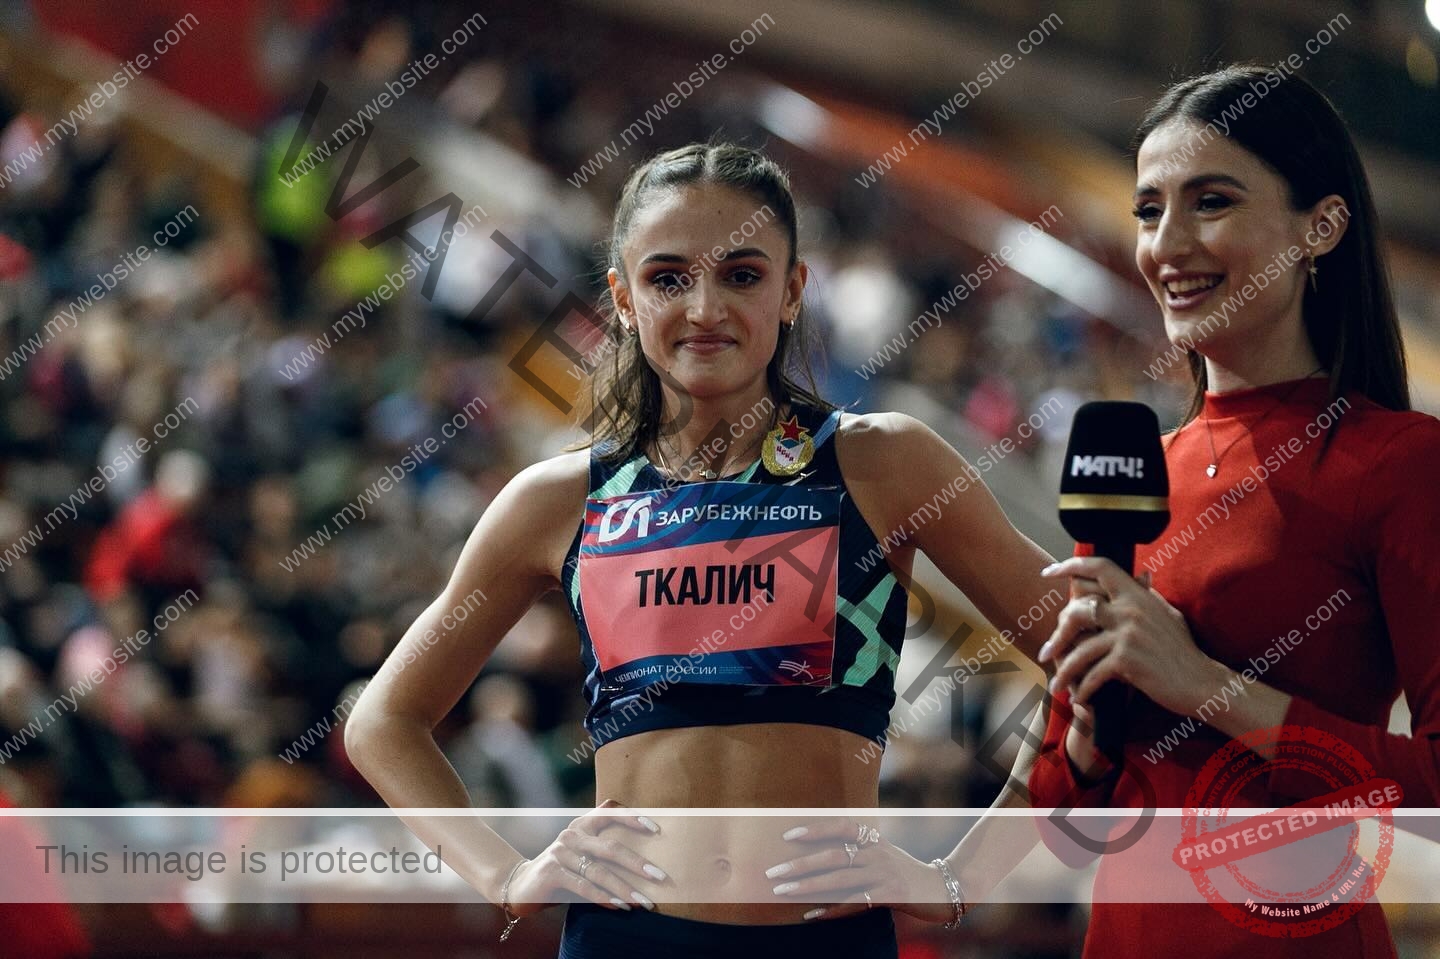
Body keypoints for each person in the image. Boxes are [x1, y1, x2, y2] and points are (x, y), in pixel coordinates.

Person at [344, 142, 1065, 958]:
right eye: (668, 278)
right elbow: (383, 721)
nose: (705, 308)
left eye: (742, 275)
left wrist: (963, 875)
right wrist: (505, 874)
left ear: (792, 290)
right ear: (623, 298)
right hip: (622, 941)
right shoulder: (560, 499)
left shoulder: (886, 462)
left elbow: (1091, 666)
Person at [1029, 64, 1440, 958]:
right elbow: (1062, 825)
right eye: (1149, 211)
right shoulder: (1132, 470)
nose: (1166, 245)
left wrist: (1201, 686)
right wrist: (1091, 732)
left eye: (1210, 202)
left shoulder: (1400, 462)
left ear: (1320, 227)